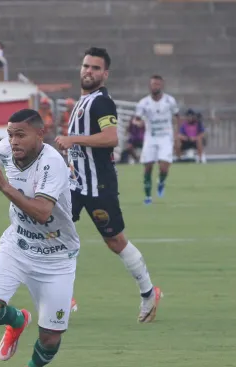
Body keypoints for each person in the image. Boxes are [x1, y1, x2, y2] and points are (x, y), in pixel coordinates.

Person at [0, 109, 79, 367]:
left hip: (56, 255)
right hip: (17, 245)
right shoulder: (4, 150)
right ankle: (17, 320)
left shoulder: (52, 163)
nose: (14, 141)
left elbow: (42, 212)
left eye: (21, 135)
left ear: (40, 134)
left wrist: (4, 186)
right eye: (10, 134)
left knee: (50, 339)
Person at [55, 47, 161, 323]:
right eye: (86, 66)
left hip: (98, 186)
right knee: (51, 230)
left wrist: (73, 140)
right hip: (75, 184)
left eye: (95, 68)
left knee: (115, 241)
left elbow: (111, 138)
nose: (88, 71)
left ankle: (148, 293)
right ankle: (61, 295)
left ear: (105, 74)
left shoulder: (102, 102)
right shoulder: (82, 101)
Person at [134, 75, 179, 202]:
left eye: (158, 84)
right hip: (151, 137)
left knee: (164, 166)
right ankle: (148, 196)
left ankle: (161, 181)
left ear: (162, 85)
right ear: (150, 86)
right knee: (148, 167)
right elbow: (136, 120)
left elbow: (177, 117)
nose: (155, 86)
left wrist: (176, 135)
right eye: (153, 84)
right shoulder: (143, 103)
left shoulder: (170, 101)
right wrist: (139, 123)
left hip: (166, 137)